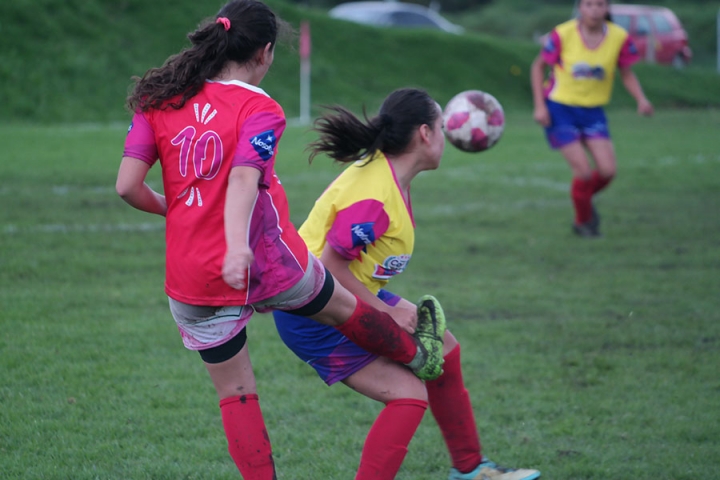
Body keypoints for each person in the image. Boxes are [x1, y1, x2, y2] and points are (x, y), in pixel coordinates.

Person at [115, 2, 445, 478]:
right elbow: (244, 180)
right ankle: (418, 354)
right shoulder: (258, 106)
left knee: (236, 395)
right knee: (343, 309)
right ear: (265, 53)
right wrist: (235, 244)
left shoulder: (157, 96)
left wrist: (183, 212)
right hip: (266, 261)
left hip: (189, 276)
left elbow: (127, 186)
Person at [273, 88, 541, 480]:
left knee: (443, 348)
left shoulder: (388, 174)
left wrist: (386, 305)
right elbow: (328, 266)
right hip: (312, 310)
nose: (446, 139)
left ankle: (470, 469)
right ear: (425, 134)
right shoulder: (376, 198)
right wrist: (387, 310)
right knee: (407, 396)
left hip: (339, 292)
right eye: (441, 128)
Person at [530, 0, 653, 237]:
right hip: (559, 108)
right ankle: (583, 222)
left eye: (600, 5)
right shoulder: (563, 34)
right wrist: (539, 106)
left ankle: (582, 200)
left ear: (607, 8)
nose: (594, 10)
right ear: (580, 8)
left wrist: (641, 99)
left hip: (593, 111)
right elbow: (537, 67)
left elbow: (626, 73)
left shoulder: (619, 37)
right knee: (584, 173)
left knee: (608, 171)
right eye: (589, 4)